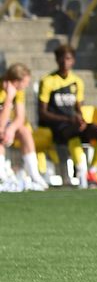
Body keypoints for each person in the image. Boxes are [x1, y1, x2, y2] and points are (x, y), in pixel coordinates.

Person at [38, 44, 97, 188]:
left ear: (73, 61)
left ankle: (92, 170)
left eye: (68, 59)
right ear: (57, 60)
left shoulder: (77, 81)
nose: (65, 62)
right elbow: (43, 113)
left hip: (74, 124)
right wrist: (69, 119)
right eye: (62, 59)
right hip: (58, 126)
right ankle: (81, 174)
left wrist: (81, 119)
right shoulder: (48, 81)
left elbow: (79, 108)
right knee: (75, 135)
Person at [1, 63, 49, 191]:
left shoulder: (18, 91)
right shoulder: (4, 91)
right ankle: (2, 178)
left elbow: (20, 117)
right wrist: (9, 98)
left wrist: (11, 130)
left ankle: (35, 176)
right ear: (16, 81)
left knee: (24, 131)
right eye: (25, 82)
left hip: (5, 125)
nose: (27, 85)